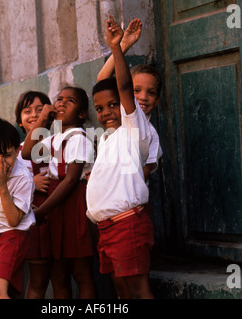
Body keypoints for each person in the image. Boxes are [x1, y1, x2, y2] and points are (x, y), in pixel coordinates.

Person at [86, 15, 155, 299]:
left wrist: (116, 48)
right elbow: (104, 83)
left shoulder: (133, 127)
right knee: (121, 291)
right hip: (107, 229)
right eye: (99, 109)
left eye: (113, 106)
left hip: (128, 225)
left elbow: (122, 87)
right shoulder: (109, 138)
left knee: (138, 291)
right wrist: (122, 45)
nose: (105, 113)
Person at [21, 87, 97, 299]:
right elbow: (27, 152)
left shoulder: (79, 138)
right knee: (59, 275)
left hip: (73, 206)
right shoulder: (54, 138)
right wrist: (43, 118)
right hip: (57, 208)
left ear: (82, 114)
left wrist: (42, 210)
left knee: (81, 273)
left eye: (69, 101)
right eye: (59, 99)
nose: (62, 103)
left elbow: (71, 179)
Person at [0, 117, 36, 299]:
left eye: (7, 155)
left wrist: (2, 186)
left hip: (12, 235)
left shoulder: (23, 178)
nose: (1, 163)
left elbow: (13, 219)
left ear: (18, 150)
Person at [97, 18, 162, 180]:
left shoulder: (151, 134)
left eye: (151, 93)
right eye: (136, 90)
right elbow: (103, 81)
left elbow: (143, 175)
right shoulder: (119, 114)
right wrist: (122, 46)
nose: (143, 97)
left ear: (158, 100)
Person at [15, 91, 53, 299]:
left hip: (60, 216)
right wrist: (32, 183)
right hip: (36, 219)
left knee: (61, 277)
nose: (34, 115)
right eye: (27, 111)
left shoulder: (58, 142)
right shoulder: (18, 152)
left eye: (40, 110)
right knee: (38, 281)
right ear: (19, 121)